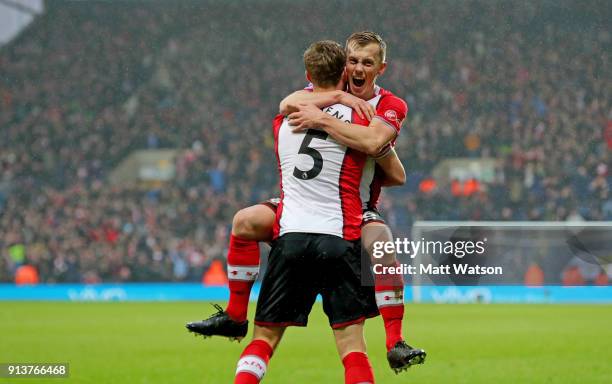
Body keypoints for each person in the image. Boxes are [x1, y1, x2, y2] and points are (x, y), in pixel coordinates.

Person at [187, 31, 425, 373]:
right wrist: (335, 100)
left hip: (354, 204)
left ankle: (395, 341)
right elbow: (287, 103)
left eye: (366, 63)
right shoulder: (328, 93)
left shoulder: (389, 105)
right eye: (353, 61)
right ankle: (235, 315)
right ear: (344, 65)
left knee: (382, 244)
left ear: (380, 69)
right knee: (244, 221)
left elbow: (378, 147)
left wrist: (321, 119)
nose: (358, 68)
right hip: (304, 203)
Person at [234, 39, 383, 384]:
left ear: (307, 76)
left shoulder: (285, 120)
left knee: (263, 340)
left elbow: (288, 102)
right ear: (345, 72)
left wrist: (329, 100)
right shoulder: (360, 119)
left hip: (291, 239)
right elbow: (377, 152)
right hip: (339, 240)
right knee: (352, 346)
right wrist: (347, 101)